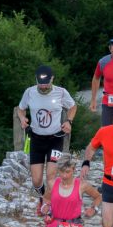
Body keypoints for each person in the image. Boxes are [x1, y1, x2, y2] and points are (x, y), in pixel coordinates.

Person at [18, 65, 77, 215]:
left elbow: (73, 106)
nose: (43, 86)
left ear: (52, 79)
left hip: (55, 139)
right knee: (36, 180)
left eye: (46, 82)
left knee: (51, 176)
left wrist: (69, 121)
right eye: (40, 82)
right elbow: (21, 108)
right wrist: (22, 118)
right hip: (36, 139)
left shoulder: (61, 92)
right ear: (36, 80)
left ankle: (48, 204)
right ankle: (43, 197)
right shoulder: (29, 92)